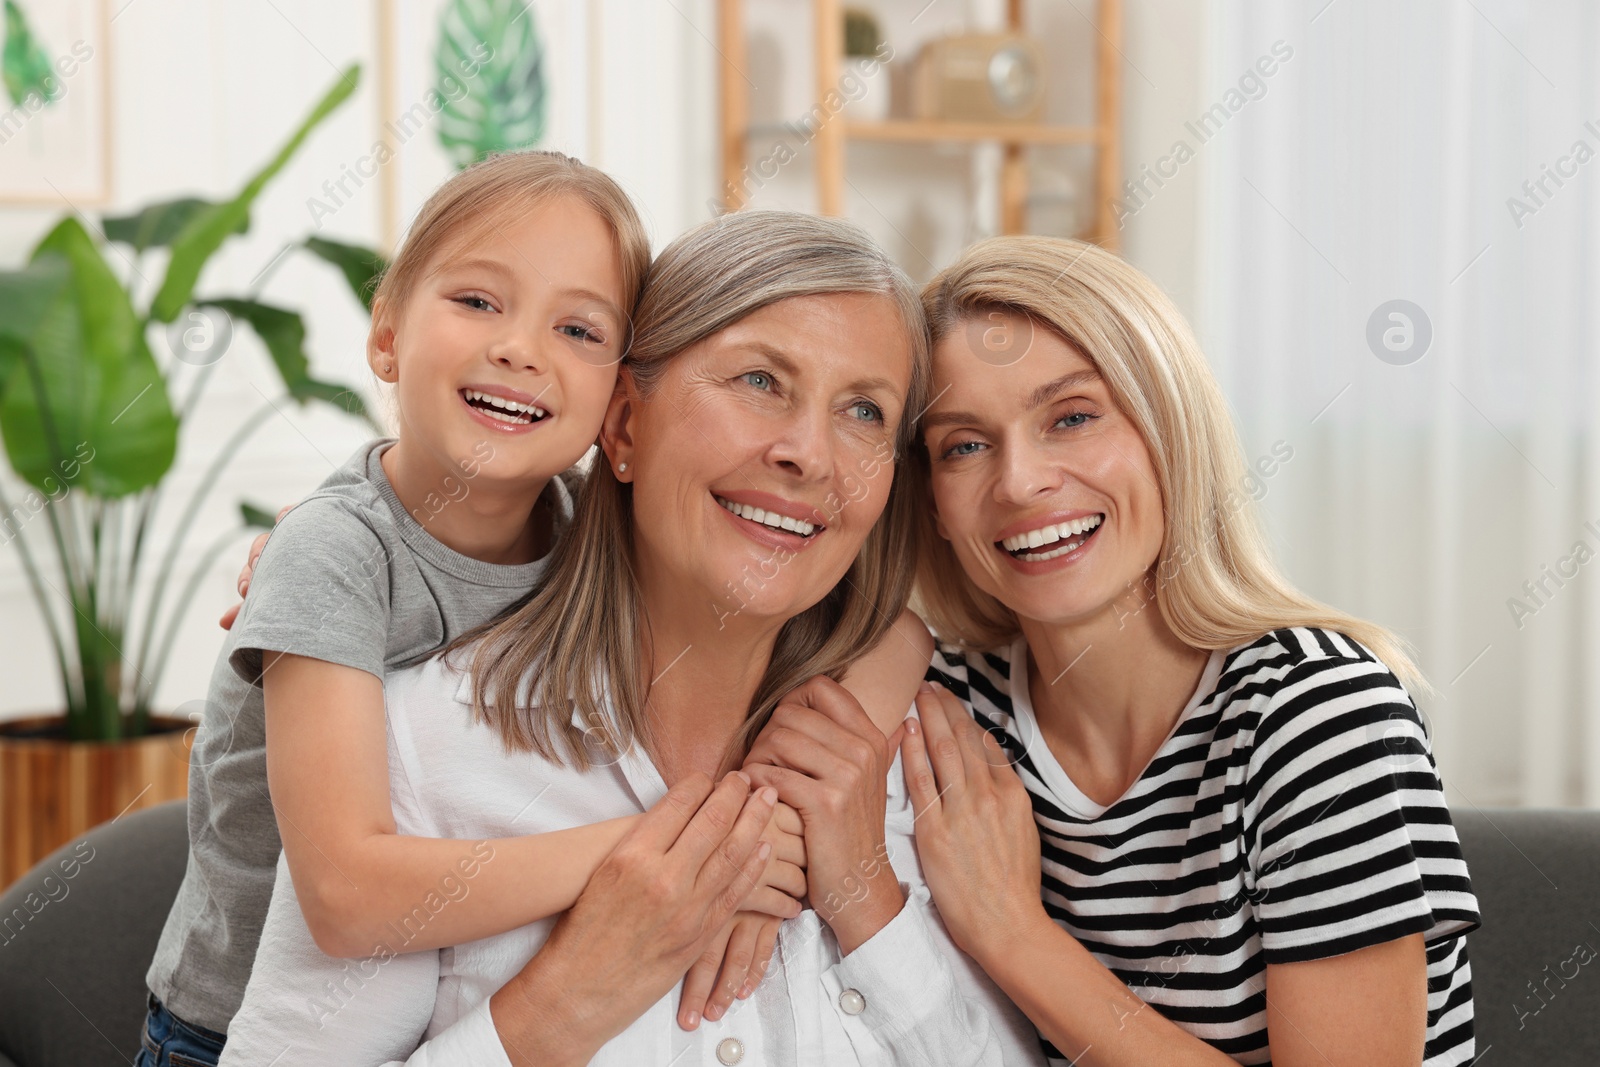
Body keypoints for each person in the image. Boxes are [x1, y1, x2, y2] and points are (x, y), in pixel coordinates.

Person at [217, 211, 1046, 1066]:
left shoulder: (931, 763)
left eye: (864, 411)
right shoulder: (421, 750)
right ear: (622, 427)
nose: (810, 453)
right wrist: (560, 1008)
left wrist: (864, 897)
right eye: (760, 381)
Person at [139, 151, 797, 1067]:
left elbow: (889, 628)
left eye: (577, 327)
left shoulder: (587, 536)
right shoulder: (333, 554)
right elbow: (345, 897)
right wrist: (670, 857)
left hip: (444, 1007)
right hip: (242, 1030)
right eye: (479, 301)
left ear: (617, 401)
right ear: (387, 336)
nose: (520, 347)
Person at [898, 236, 1481, 1066]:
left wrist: (1014, 933)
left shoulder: (1320, 713)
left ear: (1170, 429)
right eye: (963, 444)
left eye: (1071, 416)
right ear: (932, 503)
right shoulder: (946, 706)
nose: (1019, 481)